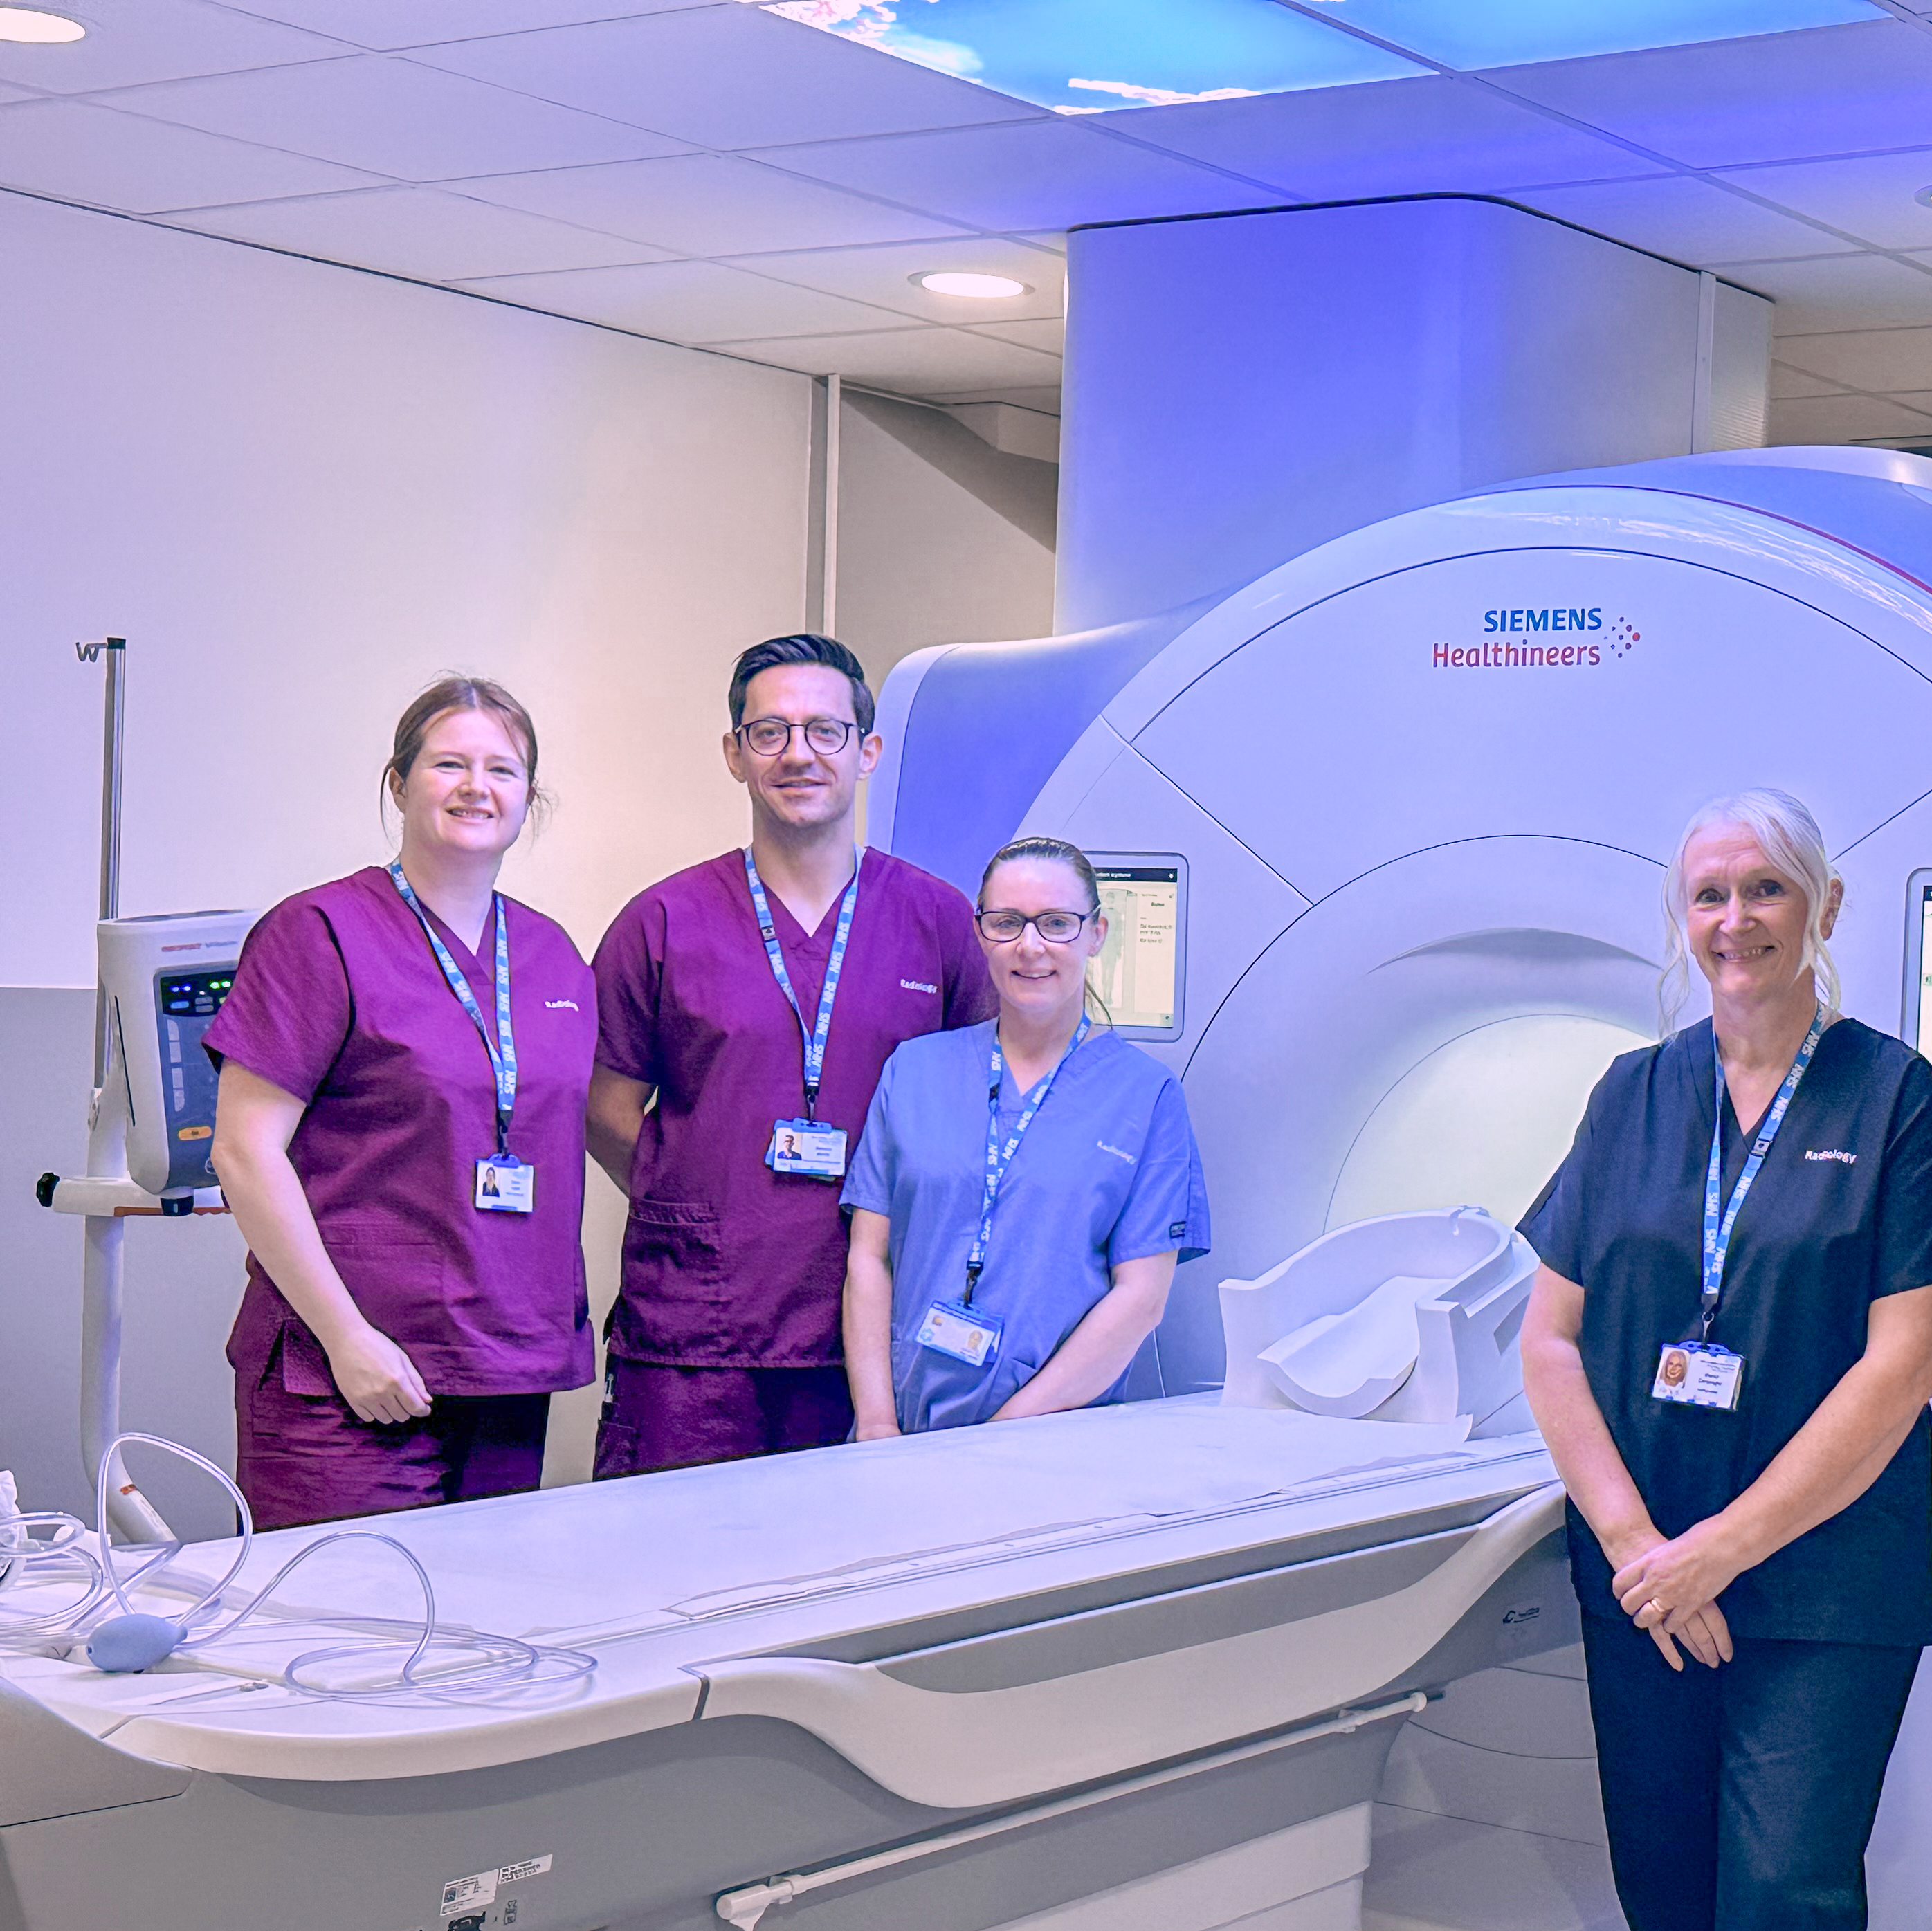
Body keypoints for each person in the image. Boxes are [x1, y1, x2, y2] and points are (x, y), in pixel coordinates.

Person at [1517, 787, 1932, 1931]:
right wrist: (1636, 1543)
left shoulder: (1891, 1094)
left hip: (1819, 1586)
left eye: (1767, 888)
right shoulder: (1630, 1094)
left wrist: (1719, 1551)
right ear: (1685, 919)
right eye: (1711, 893)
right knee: (1669, 1896)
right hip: (1645, 1579)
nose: (1737, 919)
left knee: (1785, 1906)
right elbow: (1547, 1339)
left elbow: (1899, 1371)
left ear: (1823, 906)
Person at [586, 634, 992, 1477]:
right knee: (674, 1571)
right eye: (769, 733)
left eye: (825, 731)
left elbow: (978, 1102)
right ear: (735, 755)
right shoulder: (662, 923)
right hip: (697, 1339)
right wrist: (692, 1197)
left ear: (868, 751)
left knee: (858, 1583)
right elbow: (603, 1103)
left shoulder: (938, 922)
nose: (798, 754)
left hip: (872, 1335)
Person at [208, 678, 596, 1528]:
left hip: (502, 1367)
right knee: (347, 1641)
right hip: (346, 1372)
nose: (475, 787)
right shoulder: (319, 932)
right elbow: (242, 1150)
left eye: (502, 769)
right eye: (448, 763)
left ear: (529, 797)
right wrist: (348, 1339)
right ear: (399, 783)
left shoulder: (553, 955)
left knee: (481, 1638)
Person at [843, 836, 1208, 1434]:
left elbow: (1141, 1298)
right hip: (900, 1435)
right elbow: (868, 1257)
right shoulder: (914, 1071)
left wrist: (1008, 1433)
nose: (1031, 946)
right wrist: (878, 1424)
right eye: (1007, 922)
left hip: (1052, 1440)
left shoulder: (1146, 1096)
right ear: (981, 933)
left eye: (1057, 923)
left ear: (1097, 934)